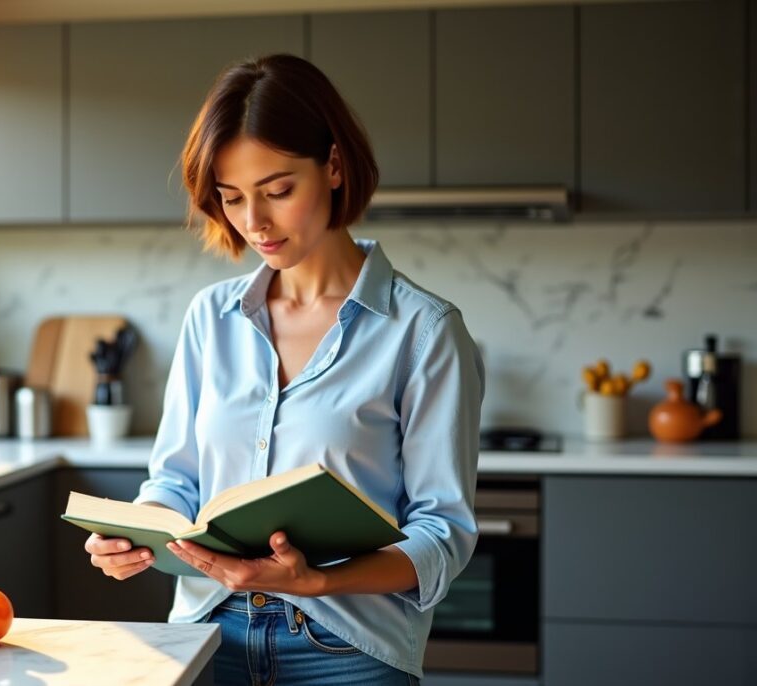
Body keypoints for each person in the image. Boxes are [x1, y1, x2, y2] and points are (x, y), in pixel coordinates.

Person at [82, 53, 484, 685]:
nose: (254, 223)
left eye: (277, 191)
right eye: (232, 197)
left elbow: (443, 533)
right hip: (205, 639)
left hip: (348, 652)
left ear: (332, 165)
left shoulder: (423, 330)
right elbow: (177, 480)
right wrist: (136, 535)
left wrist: (318, 579)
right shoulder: (210, 317)